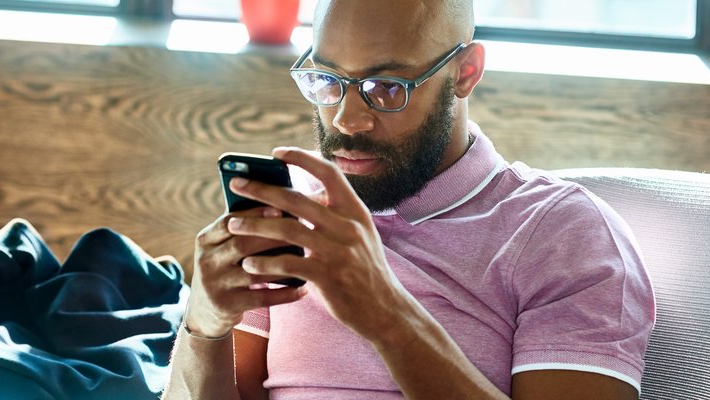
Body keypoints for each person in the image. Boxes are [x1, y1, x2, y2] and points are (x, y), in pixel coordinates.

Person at [161, 0, 656, 399]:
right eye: (328, 82)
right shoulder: (293, 208)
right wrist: (204, 326)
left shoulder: (564, 235)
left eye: (386, 87)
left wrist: (386, 317)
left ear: (465, 72)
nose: (346, 121)